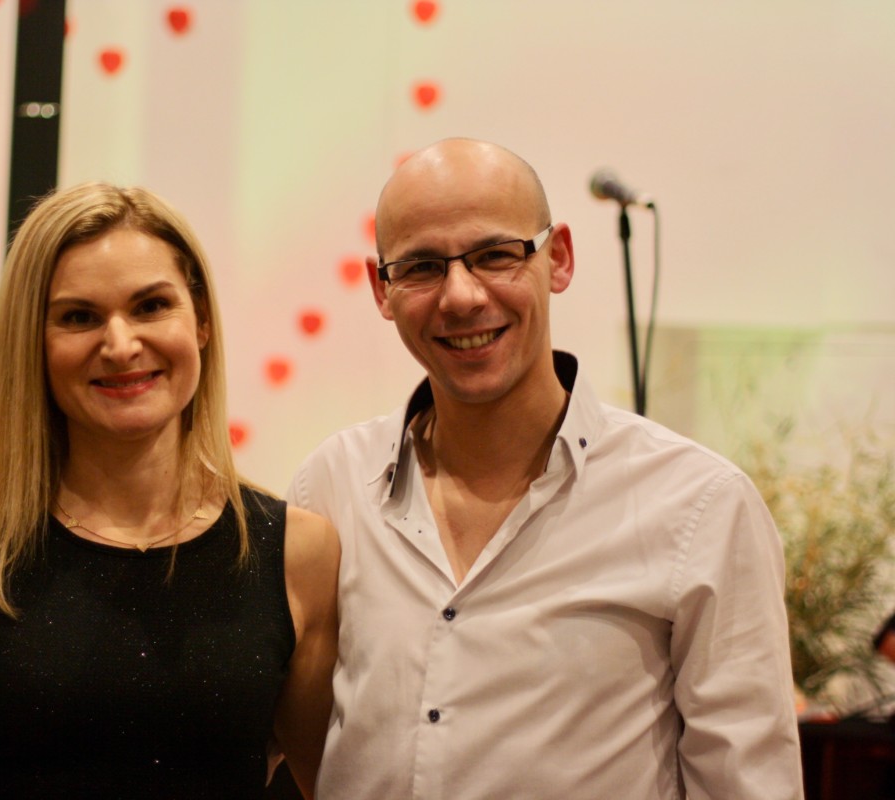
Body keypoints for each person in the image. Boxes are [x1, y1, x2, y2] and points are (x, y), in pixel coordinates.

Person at [286, 138, 803, 799]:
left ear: (557, 258)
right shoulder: (330, 488)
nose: (461, 296)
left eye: (495, 255)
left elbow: (748, 784)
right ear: (382, 289)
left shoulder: (700, 506)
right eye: (421, 267)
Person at [0, 182, 339, 799]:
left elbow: (336, 786)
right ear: (32, 342)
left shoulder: (297, 554)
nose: (120, 345)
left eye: (151, 306)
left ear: (201, 321)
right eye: (79, 317)